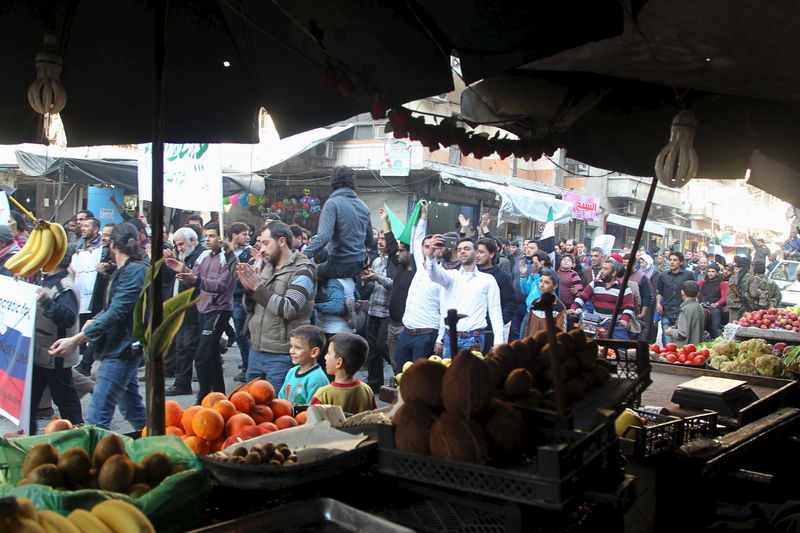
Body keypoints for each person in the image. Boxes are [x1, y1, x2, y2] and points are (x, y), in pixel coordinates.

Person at [49, 223, 147, 431]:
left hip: (122, 349)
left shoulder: (134, 271)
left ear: (112, 245)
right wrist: (93, 322)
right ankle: (161, 443)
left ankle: (94, 457)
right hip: (120, 347)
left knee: (97, 416)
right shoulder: (127, 270)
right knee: (132, 410)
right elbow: (115, 307)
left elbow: (118, 310)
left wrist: (77, 339)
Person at [238, 221, 317, 393]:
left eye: (266, 243)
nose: (262, 249)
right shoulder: (267, 267)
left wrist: (258, 288)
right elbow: (251, 307)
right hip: (257, 349)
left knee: (277, 408)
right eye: (260, 244)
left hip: (281, 353)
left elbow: (289, 308)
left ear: (281, 241)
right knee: (251, 405)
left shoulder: (303, 270)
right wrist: (249, 289)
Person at [166, 222, 236, 404]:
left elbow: (220, 285)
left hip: (219, 310)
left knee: (202, 356)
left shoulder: (228, 259)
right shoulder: (203, 256)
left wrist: (195, 279)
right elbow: (194, 278)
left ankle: (203, 397)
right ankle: (219, 395)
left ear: (222, 239)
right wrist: (184, 271)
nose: (208, 240)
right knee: (211, 354)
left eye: (212, 236)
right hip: (202, 309)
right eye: (206, 236)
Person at [29, 248, 84, 435]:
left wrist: (46, 302)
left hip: (56, 356)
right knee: (30, 400)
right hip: (40, 352)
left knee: (65, 398)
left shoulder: (65, 287)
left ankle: (78, 433)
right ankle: (27, 436)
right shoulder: (45, 279)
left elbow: (67, 318)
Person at [426, 236, 505, 358]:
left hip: (474, 339)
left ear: (476, 252)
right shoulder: (451, 276)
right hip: (449, 338)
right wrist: (431, 255)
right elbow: (433, 275)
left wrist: (499, 340)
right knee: (450, 375)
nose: (462, 251)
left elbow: (495, 311)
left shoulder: (488, 280)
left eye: (467, 248)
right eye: (459, 249)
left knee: (470, 376)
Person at [302, 166, 373, 284]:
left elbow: (324, 237)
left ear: (333, 181)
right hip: (358, 265)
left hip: (339, 264)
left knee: (310, 276)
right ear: (353, 182)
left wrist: (301, 256)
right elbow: (369, 241)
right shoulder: (364, 206)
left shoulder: (332, 204)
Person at [394, 201, 441, 370]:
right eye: (426, 246)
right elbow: (418, 237)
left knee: (420, 379)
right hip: (406, 332)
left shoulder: (443, 275)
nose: (429, 250)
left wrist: (439, 339)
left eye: (433, 247)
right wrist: (423, 216)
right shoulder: (419, 266)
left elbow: (445, 310)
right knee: (400, 373)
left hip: (427, 335)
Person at [360, 208, 397, 393]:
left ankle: (399, 373)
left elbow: (394, 285)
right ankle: (375, 384)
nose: (381, 242)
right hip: (373, 309)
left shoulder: (397, 262)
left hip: (388, 312)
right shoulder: (376, 261)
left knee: (383, 346)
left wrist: (377, 279)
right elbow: (371, 288)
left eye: (384, 239)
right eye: (380, 239)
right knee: (372, 349)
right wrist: (366, 281)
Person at [165, 227, 204, 395]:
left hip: (193, 309)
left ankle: (183, 382)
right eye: (177, 244)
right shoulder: (183, 255)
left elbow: (201, 280)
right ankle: (182, 381)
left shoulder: (200, 256)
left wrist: (183, 269)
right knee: (182, 346)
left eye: (181, 244)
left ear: (193, 241)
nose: (179, 247)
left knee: (186, 347)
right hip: (181, 308)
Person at [568, 259, 635, 340]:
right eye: (602, 268)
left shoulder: (624, 288)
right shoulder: (595, 283)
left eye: (606, 269)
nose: (602, 271)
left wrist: (624, 319)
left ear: (614, 273)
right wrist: (573, 308)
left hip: (615, 325)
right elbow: (583, 297)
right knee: (583, 343)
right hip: (594, 322)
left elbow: (629, 306)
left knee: (622, 347)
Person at [311, 332, 376, 414]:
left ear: (339, 362)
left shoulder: (323, 394)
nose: (325, 357)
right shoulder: (366, 389)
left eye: (328, 353)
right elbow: (373, 417)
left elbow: (313, 420)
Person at [475, 237, 516, 352]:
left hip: (490, 332)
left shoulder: (502, 276)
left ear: (492, 254)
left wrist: (498, 323)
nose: (477, 255)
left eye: (481, 252)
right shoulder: (470, 274)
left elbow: (510, 302)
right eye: (476, 252)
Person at [278, 325, 330, 405]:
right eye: (291, 346)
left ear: (314, 352)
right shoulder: (292, 372)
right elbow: (281, 400)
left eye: (298, 348)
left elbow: (312, 411)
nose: (292, 351)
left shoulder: (317, 379)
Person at [228, 222, 252, 382]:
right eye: (244, 234)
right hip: (226, 297)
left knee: (242, 335)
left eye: (248, 234)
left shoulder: (248, 253)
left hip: (241, 298)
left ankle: (247, 367)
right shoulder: (226, 253)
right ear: (234, 235)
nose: (248, 237)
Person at [656, 252, 696, 345]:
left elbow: (693, 292)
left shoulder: (688, 275)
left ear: (681, 262)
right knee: (667, 341)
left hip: (681, 311)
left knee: (681, 340)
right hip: (666, 311)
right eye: (670, 260)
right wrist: (658, 304)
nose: (672, 262)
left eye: (675, 260)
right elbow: (660, 292)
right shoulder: (663, 275)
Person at [524, 270, 567, 336]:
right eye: (541, 281)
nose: (541, 285)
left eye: (546, 282)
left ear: (555, 286)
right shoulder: (534, 303)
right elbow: (528, 328)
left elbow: (560, 335)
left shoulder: (559, 308)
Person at [665, 281, 704, 348]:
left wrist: (670, 331)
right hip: (696, 349)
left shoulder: (685, 309)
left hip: (685, 351)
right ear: (698, 294)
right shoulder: (699, 307)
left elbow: (682, 334)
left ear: (682, 292)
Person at [698, 263, 728, 338]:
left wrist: (717, 304)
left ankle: (717, 338)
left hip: (715, 307)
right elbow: (694, 291)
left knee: (715, 325)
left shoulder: (722, 283)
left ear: (717, 273)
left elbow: (724, 297)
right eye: (709, 271)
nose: (710, 273)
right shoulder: (702, 282)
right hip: (703, 305)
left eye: (713, 271)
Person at [726, 256, 754, 323]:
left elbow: (728, 293)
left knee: (732, 326)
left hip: (733, 306)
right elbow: (754, 293)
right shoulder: (751, 278)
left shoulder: (733, 277)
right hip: (745, 306)